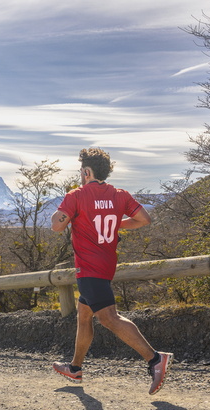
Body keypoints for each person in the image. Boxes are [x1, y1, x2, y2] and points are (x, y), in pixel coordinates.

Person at [50, 148, 172, 395]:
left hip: (89, 269)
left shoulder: (76, 195)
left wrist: (63, 211)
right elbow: (144, 219)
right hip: (106, 266)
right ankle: (75, 368)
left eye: (81, 170)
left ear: (86, 171)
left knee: (109, 318)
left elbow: (56, 226)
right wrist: (116, 222)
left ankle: (155, 359)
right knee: (84, 316)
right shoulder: (120, 195)